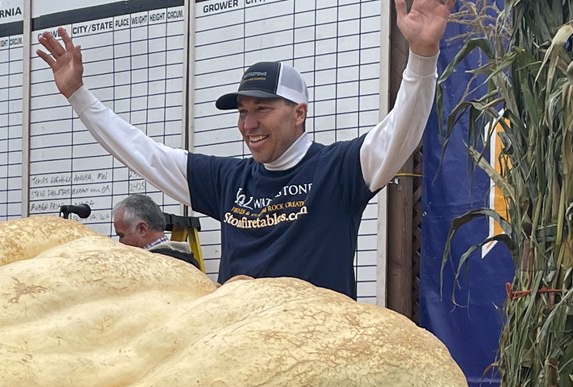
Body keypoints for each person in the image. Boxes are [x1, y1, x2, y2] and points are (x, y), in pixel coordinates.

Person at [36, 0, 455, 298]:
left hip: (316, 360)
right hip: (238, 360)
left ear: (299, 113)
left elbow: (401, 131)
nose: (248, 124)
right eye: (242, 111)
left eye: (262, 109)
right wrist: (78, 96)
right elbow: (141, 151)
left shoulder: (338, 170)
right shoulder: (227, 180)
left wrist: (421, 56)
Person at [112, 194, 199, 268]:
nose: (120, 243)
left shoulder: (142, 269)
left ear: (142, 229)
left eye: (121, 235)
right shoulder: (188, 262)